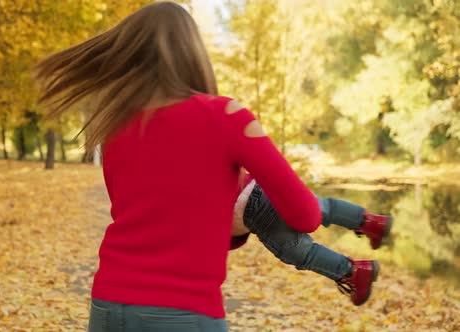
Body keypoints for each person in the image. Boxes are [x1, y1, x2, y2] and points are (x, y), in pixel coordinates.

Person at [36, 2, 332, 331]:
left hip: (108, 306)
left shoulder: (117, 127)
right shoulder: (227, 116)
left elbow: (151, 214)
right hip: (185, 311)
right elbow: (307, 215)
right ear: (192, 52)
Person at [233, 171, 392, 306]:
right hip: (257, 182)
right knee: (320, 207)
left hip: (248, 208)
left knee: (299, 251)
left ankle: (353, 272)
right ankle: (371, 222)